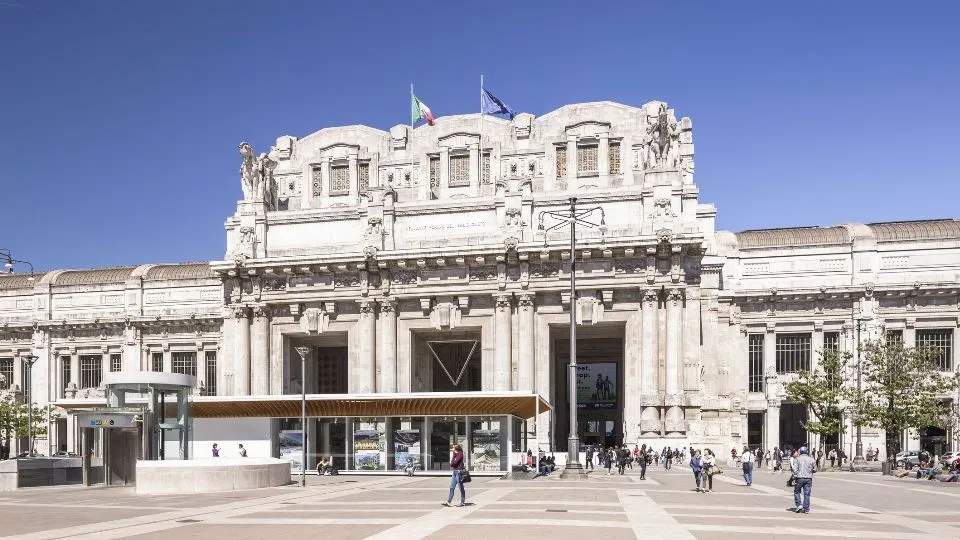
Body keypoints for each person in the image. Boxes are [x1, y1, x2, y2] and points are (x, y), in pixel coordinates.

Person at [791, 446, 817, 514]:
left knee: (797, 492)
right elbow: (815, 469)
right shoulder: (811, 459)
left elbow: (795, 470)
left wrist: (794, 477)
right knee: (807, 494)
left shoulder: (797, 459)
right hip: (808, 478)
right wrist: (810, 471)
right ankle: (806, 509)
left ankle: (799, 505)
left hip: (799, 478)